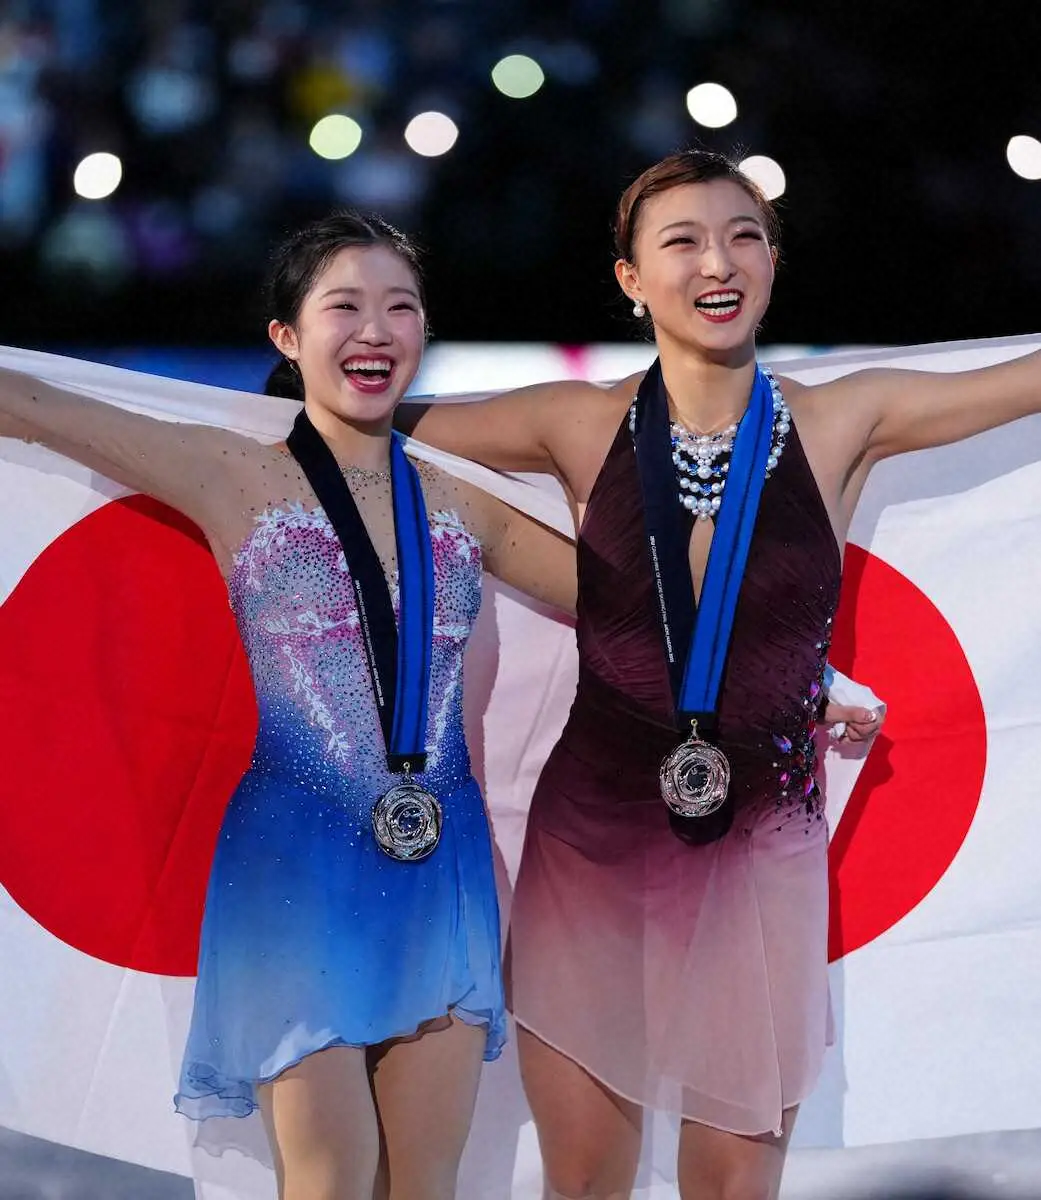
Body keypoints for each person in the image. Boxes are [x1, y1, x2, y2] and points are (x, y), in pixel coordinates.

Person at [397, 148, 1041, 1200]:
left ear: (775, 263)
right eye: (683, 241)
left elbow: (1025, 383)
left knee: (735, 1190)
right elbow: (358, 428)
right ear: (630, 277)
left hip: (761, 853)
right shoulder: (576, 420)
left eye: (745, 236)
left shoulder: (844, 416)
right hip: (591, 845)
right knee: (587, 1185)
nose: (719, 261)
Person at [0, 212, 577, 1200]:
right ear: (286, 336)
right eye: (344, 306)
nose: (376, 329)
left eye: (400, 307)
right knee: (328, 1183)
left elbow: (635, 616)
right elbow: (34, 401)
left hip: (442, 865)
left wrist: (812, 678)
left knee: (428, 1186)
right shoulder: (228, 472)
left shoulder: (460, 497)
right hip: (294, 869)